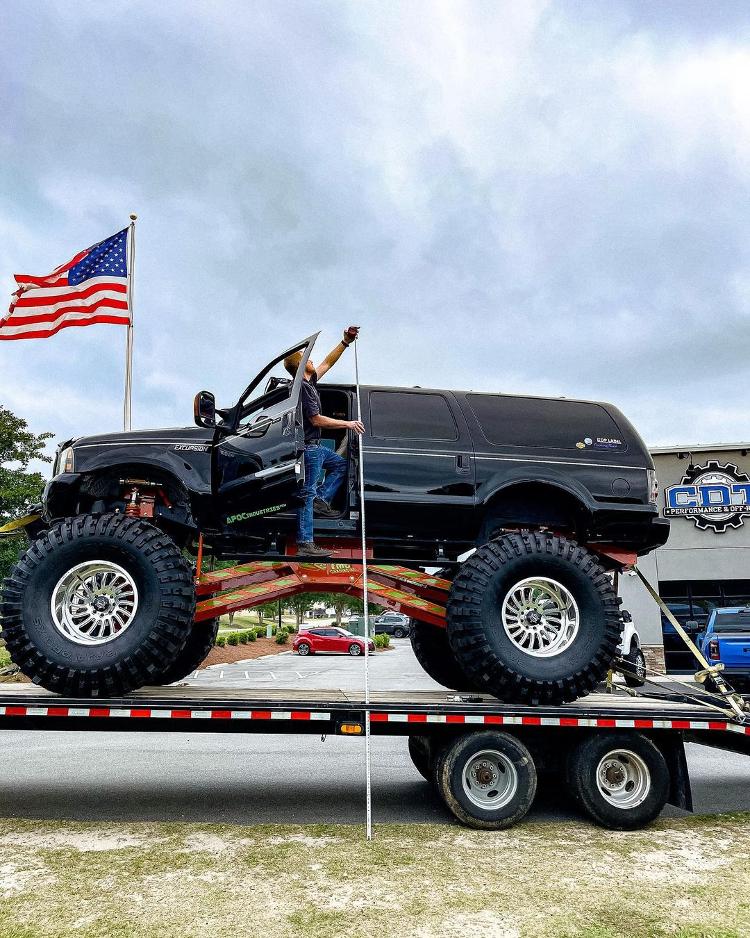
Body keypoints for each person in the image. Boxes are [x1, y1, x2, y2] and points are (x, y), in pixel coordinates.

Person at [284, 326, 365, 557]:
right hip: (309, 449)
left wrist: (345, 342)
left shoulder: (310, 383)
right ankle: (305, 542)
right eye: (307, 359)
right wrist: (348, 424)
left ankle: (322, 498)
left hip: (317, 449)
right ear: (301, 366)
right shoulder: (303, 390)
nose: (313, 361)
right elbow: (316, 420)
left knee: (340, 465)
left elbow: (328, 362)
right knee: (306, 494)